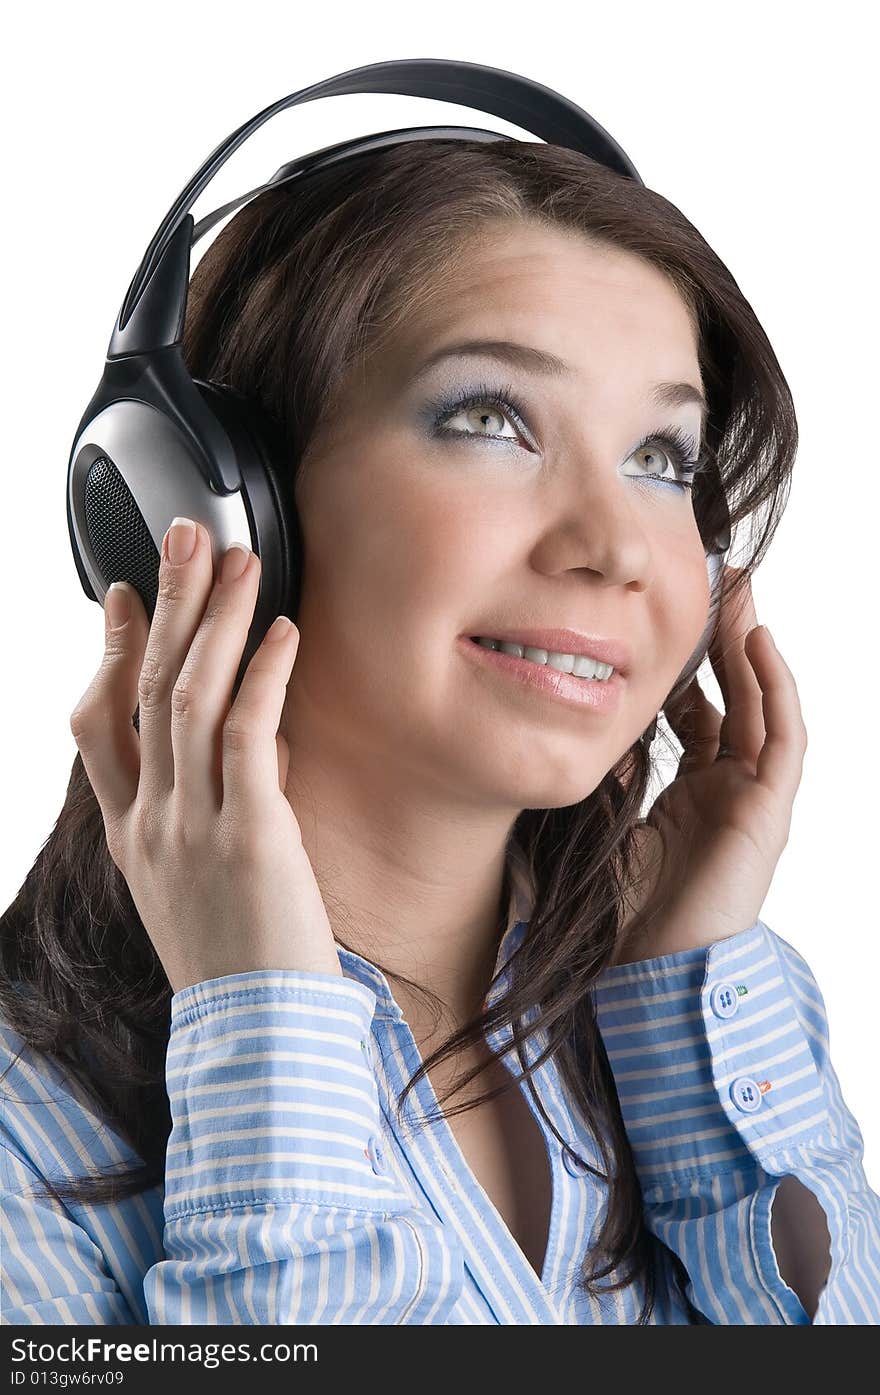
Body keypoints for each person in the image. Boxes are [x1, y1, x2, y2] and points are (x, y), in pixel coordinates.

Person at [1, 138, 878, 1326]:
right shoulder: (22, 1140)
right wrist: (261, 1026)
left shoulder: (713, 1017)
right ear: (204, 497)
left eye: (659, 457)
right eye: (488, 417)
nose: (616, 549)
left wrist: (683, 984)